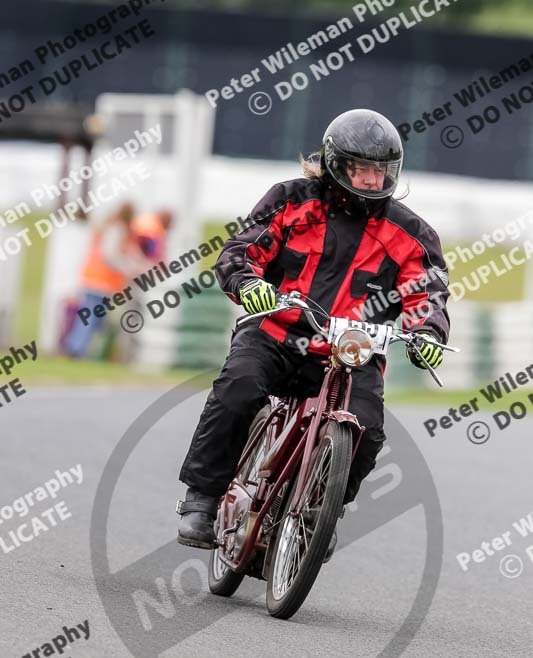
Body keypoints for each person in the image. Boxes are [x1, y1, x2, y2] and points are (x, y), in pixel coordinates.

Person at [176, 108, 450, 556]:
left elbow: (429, 291)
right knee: (238, 388)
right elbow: (243, 249)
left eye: (380, 171)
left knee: (369, 429)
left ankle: (320, 511)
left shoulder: (412, 232)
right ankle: (201, 499)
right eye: (360, 170)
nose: (370, 180)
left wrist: (429, 334)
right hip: (277, 334)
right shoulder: (290, 199)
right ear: (335, 164)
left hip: (351, 354)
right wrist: (250, 284)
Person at [65, 203, 158, 358]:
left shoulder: (113, 228)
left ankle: (80, 348)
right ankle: (76, 349)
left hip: (97, 280)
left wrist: (141, 266)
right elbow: (111, 255)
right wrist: (127, 270)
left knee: (94, 318)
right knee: (91, 317)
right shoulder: (117, 230)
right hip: (99, 281)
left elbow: (130, 254)